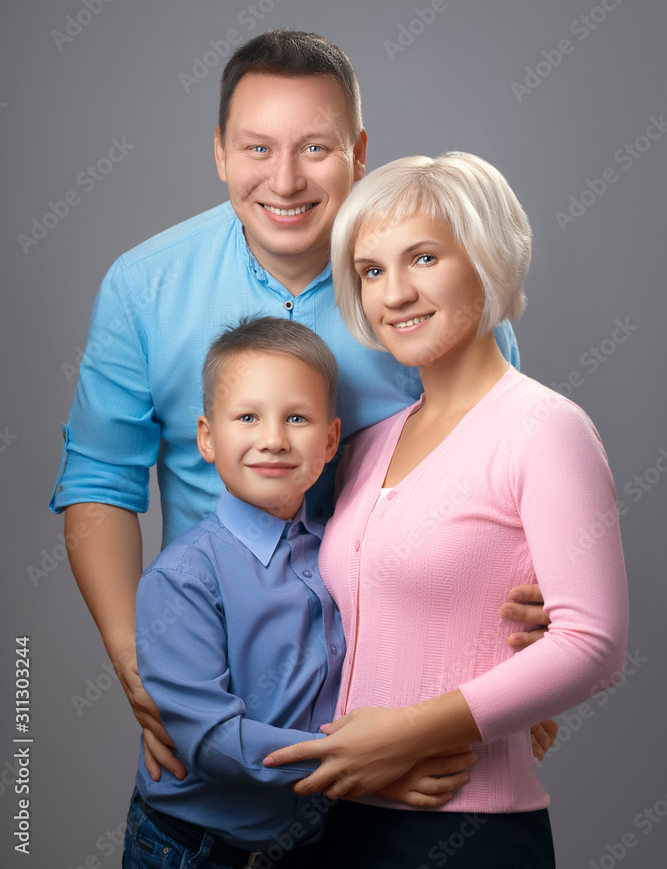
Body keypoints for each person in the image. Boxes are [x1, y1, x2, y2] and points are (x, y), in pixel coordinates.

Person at [49, 30, 551, 780]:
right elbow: (99, 483)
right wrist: (139, 663)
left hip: (407, 705)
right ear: (219, 151)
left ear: (359, 152)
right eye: (257, 148)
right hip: (227, 700)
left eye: (315, 148)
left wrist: (522, 665)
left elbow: (507, 483)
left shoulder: (434, 293)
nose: (283, 182)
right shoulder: (143, 287)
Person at [264, 152, 630, 868]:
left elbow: (592, 646)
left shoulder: (545, 429)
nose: (395, 293)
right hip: (339, 819)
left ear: (486, 260)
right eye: (371, 271)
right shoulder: (368, 444)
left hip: (466, 831)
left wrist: (406, 736)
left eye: (424, 258)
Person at [124, 317, 471, 869]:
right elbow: (212, 741)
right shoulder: (184, 577)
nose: (273, 440)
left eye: (297, 418)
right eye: (247, 417)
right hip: (192, 848)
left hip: (303, 844)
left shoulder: (343, 553)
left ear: (331, 440)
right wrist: (360, 768)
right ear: (207, 438)